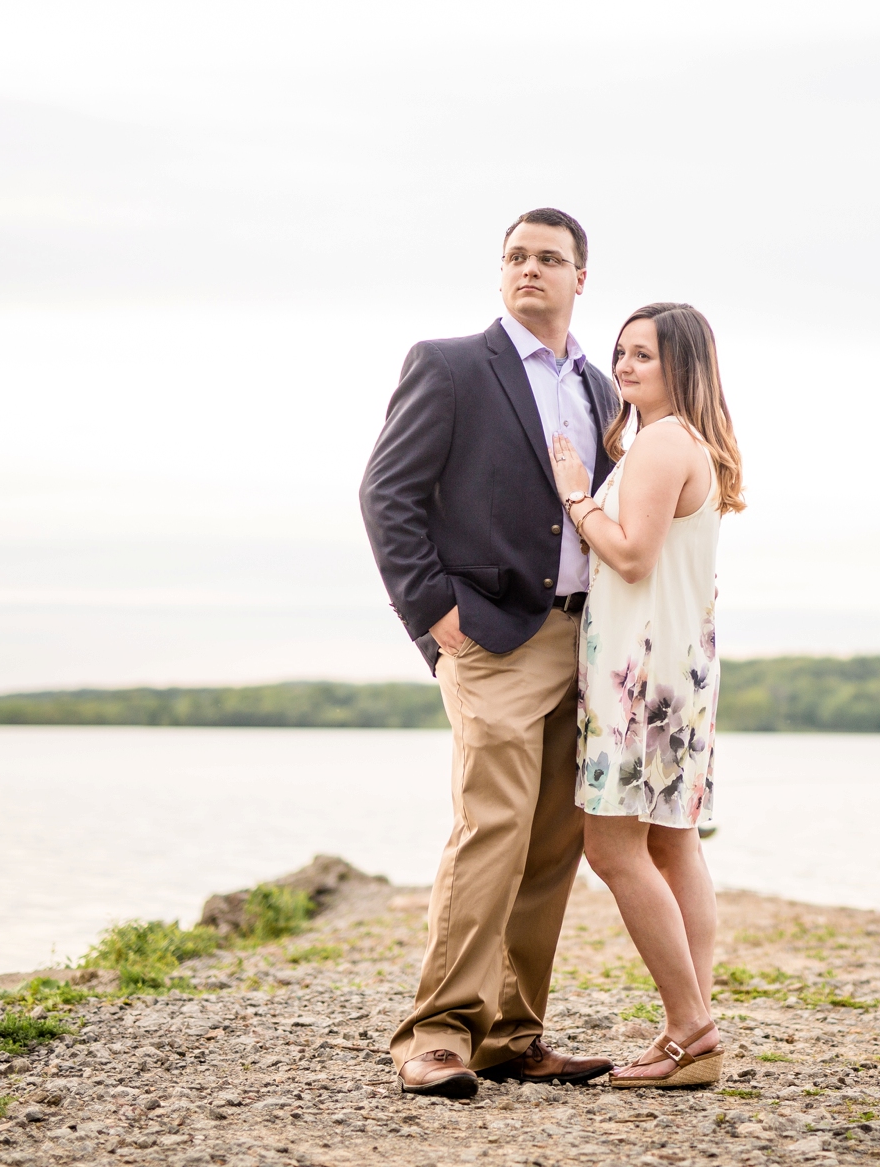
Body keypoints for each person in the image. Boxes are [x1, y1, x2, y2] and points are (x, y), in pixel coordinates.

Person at [360, 207, 619, 1098]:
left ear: (581, 276)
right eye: (516, 256)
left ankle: (513, 1032)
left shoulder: (602, 389)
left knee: (555, 839)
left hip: (585, 640)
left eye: (550, 258)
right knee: (494, 826)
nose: (530, 269)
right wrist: (436, 616)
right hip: (492, 638)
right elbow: (387, 493)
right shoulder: (452, 364)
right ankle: (435, 1034)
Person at [547, 302, 744, 1089]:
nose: (625, 368)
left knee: (613, 847)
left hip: (641, 676)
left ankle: (692, 1030)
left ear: (683, 366)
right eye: (622, 353)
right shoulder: (690, 441)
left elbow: (630, 555)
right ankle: (685, 1027)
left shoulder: (662, 442)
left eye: (644, 357)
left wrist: (575, 492)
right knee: (672, 842)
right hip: (676, 668)